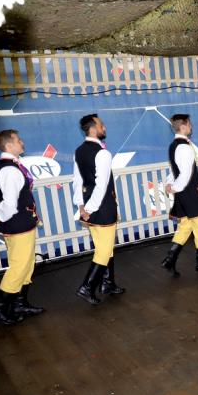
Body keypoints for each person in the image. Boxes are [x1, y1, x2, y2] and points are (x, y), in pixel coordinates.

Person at [73, 114, 124, 305]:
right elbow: (101, 185)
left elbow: (77, 181)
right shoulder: (103, 153)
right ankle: (87, 287)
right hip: (101, 206)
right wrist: (90, 209)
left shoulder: (79, 151)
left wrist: (81, 206)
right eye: (102, 125)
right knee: (104, 249)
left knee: (105, 246)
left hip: (90, 204)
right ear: (93, 129)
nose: (105, 127)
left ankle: (107, 283)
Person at [160, 114, 198, 277]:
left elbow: (175, 169)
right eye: (189, 124)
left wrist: (171, 184)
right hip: (191, 194)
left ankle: (170, 260)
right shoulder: (185, 147)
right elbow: (185, 173)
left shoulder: (173, 145)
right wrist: (175, 186)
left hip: (183, 194)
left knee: (185, 226)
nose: (191, 126)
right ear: (183, 126)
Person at [0, 130, 43, 325]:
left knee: (27, 264)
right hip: (17, 225)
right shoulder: (10, 170)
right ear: (8, 145)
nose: (22, 142)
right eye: (18, 140)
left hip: (22, 223)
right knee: (19, 267)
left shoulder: (6, 167)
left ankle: (19, 304)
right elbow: (9, 204)